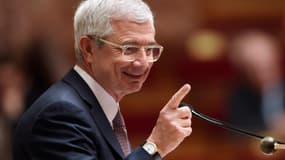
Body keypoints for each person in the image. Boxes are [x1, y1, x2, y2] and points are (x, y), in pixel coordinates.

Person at [13, 0, 193, 160]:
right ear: (89, 49)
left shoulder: (99, 108)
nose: (143, 63)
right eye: (129, 48)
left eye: (149, 50)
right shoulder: (60, 114)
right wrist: (155, 145)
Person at [228, 30, 285, 135]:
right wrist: (275, 127)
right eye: (254, 69)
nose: (263, 73)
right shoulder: (240, 96)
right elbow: (238, 132)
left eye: (268, 67)